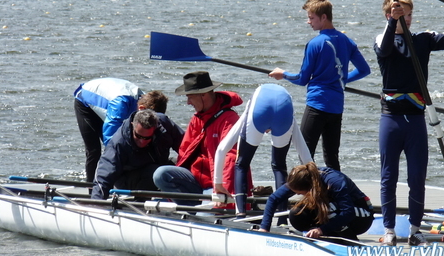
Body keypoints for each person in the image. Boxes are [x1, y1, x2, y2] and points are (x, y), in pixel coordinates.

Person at [374, 0, 444, 247]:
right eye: (401, 14)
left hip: (416, 120)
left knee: (417, 176)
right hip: (391, 120)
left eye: (409, 15)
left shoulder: (423, 39)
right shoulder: (381, 38)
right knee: (388, 176)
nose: (406, 19)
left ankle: (415, 230)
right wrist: (392, 23)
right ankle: (389, 230)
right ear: (389, 15)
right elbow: (385, 50)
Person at [269, 0, 371, 171]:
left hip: (317, 105)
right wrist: (342, 80)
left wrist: (283, 74)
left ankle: (308, 195)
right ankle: (337, 194)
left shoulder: (315, 44)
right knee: (332, 157)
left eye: (311, 18)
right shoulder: (347, 41)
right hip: (336, 107)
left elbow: (302, 79)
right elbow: (364, 70)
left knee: (305, 154)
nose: (308, 22)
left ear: (324, 17)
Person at [213, 83, 313, 217]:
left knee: (241, 164)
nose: (267, 131)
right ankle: (282, 218)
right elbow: (306, 157)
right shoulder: (291, 118)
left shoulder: (250, 108)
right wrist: (314, 185)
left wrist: (218, 184)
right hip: (284, 107)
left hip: (261, 106)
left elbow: (221, 149)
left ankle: (240, 213)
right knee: (279, 166)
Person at [153, 71, 252, 205]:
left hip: (216, 186)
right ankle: (191, 210)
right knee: (161, 174)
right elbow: (184, 152)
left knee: (204, 215)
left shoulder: (230, 119)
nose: (188, 102)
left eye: (190, 97)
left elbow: (231, 157)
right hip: (196, 183)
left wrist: (222, 190)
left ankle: (195, 212)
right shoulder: (196, 119)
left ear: (203, 95)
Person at [74, 78, 168, 182]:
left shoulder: (149, 103)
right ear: (141, 108)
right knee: (94, 151)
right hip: (85, 102)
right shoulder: (119, 106)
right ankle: (92, 190)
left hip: (112, 98)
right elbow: (111, 141)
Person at [259, 162, 373, 241]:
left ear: (310, 188)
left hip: (361, 216)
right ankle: (326, 236)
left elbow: (348, 213)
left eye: (300, 192)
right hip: (336, 211)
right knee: (296, 214)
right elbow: (273, 199)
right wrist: (264, 227)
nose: (298, 194)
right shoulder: (301, 178)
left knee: (329, 209)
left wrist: (321, 230)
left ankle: (349, 241)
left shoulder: (335, 182)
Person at [91, 109, 185, 199]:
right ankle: (141, 202)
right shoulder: (119, 143)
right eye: (138, 136)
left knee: (181, 165)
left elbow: (187, 146)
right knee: (156, 172)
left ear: (155, 129)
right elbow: (103, 175)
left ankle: (190, 197)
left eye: (147, 138)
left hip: (158, 166)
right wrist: (96, 203)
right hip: (129, 179)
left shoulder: (164, 124)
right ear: (133, 126)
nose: (142, 141)